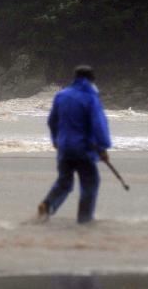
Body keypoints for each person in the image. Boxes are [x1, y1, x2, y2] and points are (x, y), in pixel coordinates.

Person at [38, 65, 112, 224]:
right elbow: (98, 124)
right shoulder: (91, 98)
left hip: (64, 148)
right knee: (90, 182)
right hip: (83, 149)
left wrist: (55, 140)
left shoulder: (61, 95)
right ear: (91, 80)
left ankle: (47, 205)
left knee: (64, 181)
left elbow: (52, 121)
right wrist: (103, 147)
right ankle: (85, 219)